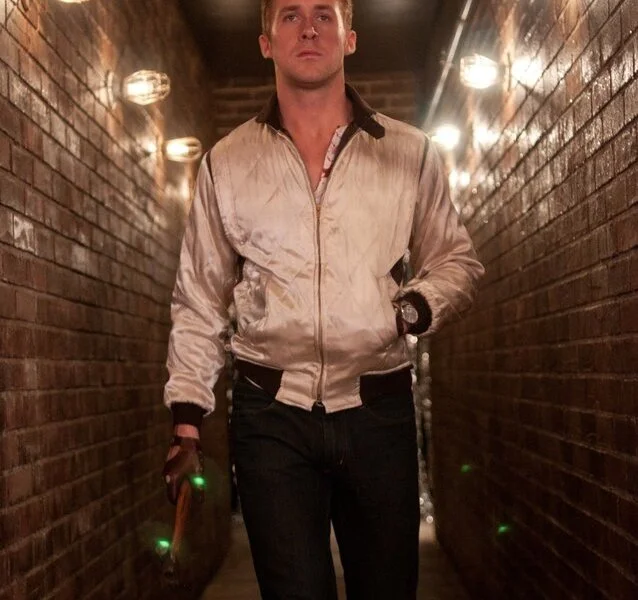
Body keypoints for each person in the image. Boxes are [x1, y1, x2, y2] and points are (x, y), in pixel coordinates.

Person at [162, 0, 484, 597]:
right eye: (289, 15)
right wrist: (187, 419)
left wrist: (410, 309)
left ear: (349, 37)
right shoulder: (226, 163)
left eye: (323, 14)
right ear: (266, 42)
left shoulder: (408, 152)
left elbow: (456, 261)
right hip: (270, 415)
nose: (308, 28)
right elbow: (199, 297)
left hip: (378, 408)